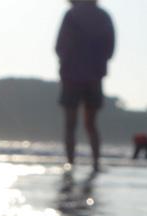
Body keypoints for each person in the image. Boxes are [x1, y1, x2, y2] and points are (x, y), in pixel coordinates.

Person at [55, 0, 115, 172]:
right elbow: (110, 47)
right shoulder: (103, 16)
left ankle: (70, 163)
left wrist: (66, 62)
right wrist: (99, 64)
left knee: (70, 124)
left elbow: (60, 45)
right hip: (94, 77)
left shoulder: (71, 15)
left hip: (71, 76)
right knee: (91, 124)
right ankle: (95, 163)